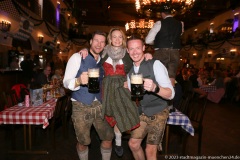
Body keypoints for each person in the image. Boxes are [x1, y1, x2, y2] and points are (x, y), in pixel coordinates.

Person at [79, 29, 152, 157]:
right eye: (114, 37)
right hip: (106, 88)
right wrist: (84, 49)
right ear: (110, 39)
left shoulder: (127, 54)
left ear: (123, 39)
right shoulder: (104, 51)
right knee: (110, 115)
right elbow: (93, 51)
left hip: (122, 87)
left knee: (121, 114)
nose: (117, 40)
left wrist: (147, 55)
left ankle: (118, 142)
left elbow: (136, 64)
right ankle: (109, 139)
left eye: (120, 37)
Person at [63, 30, 114, 160]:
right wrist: (79, 81)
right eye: (96, 40)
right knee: (83, 142)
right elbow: (66, 82)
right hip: (81, 106)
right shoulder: (77, 57)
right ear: (90, 42)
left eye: (102, 42)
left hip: (100, 105)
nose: (99, 44)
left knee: (108, 138)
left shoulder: (104, 60)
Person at [126, 35, 175, 160]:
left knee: (150, 150)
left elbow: (171, 93)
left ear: (143, 48)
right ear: (127, 51)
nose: (135, 52)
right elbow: (134, 94)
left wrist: (155, 88)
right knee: (133, 144)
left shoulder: (155, 64)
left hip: (158, 111)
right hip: (142, 112)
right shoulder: (130, 72)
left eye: (138, 48)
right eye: (131, 49)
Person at [145, 3, 183, 86]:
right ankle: (170, 96)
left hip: (161, 53)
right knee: (171, 76)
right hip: (175, 53)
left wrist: (158, 42)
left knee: (158, 76)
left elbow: (148, 40)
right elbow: (178, 36)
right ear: (171, 12)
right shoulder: (180, 24)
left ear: (162, 13)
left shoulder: (159, 23)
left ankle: (160, 96)